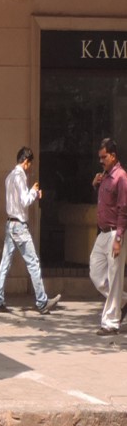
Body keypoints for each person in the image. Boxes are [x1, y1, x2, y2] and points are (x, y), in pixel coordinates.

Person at [0, 148, 60, 317]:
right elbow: (24, 201)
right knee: (33, 263)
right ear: (26, 161)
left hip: (10, 224)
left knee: (5, 263)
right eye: (30, 164)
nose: (30, 168)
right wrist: (34, 192)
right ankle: (42, 302)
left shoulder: (9, 177)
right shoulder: (20, 176)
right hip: (19, 226)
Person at [89, 137, 127, 335]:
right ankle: (122, 300)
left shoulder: (121, 177)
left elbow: (123, 209)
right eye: (100, 157)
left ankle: (111, 322)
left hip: (115, 233)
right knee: (96, 273)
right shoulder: (104, 176)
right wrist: (95, 184)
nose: (101, 160)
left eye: (104, 157)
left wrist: (119, 238)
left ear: (113, 156)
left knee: (114, 277)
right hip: (102, 233)